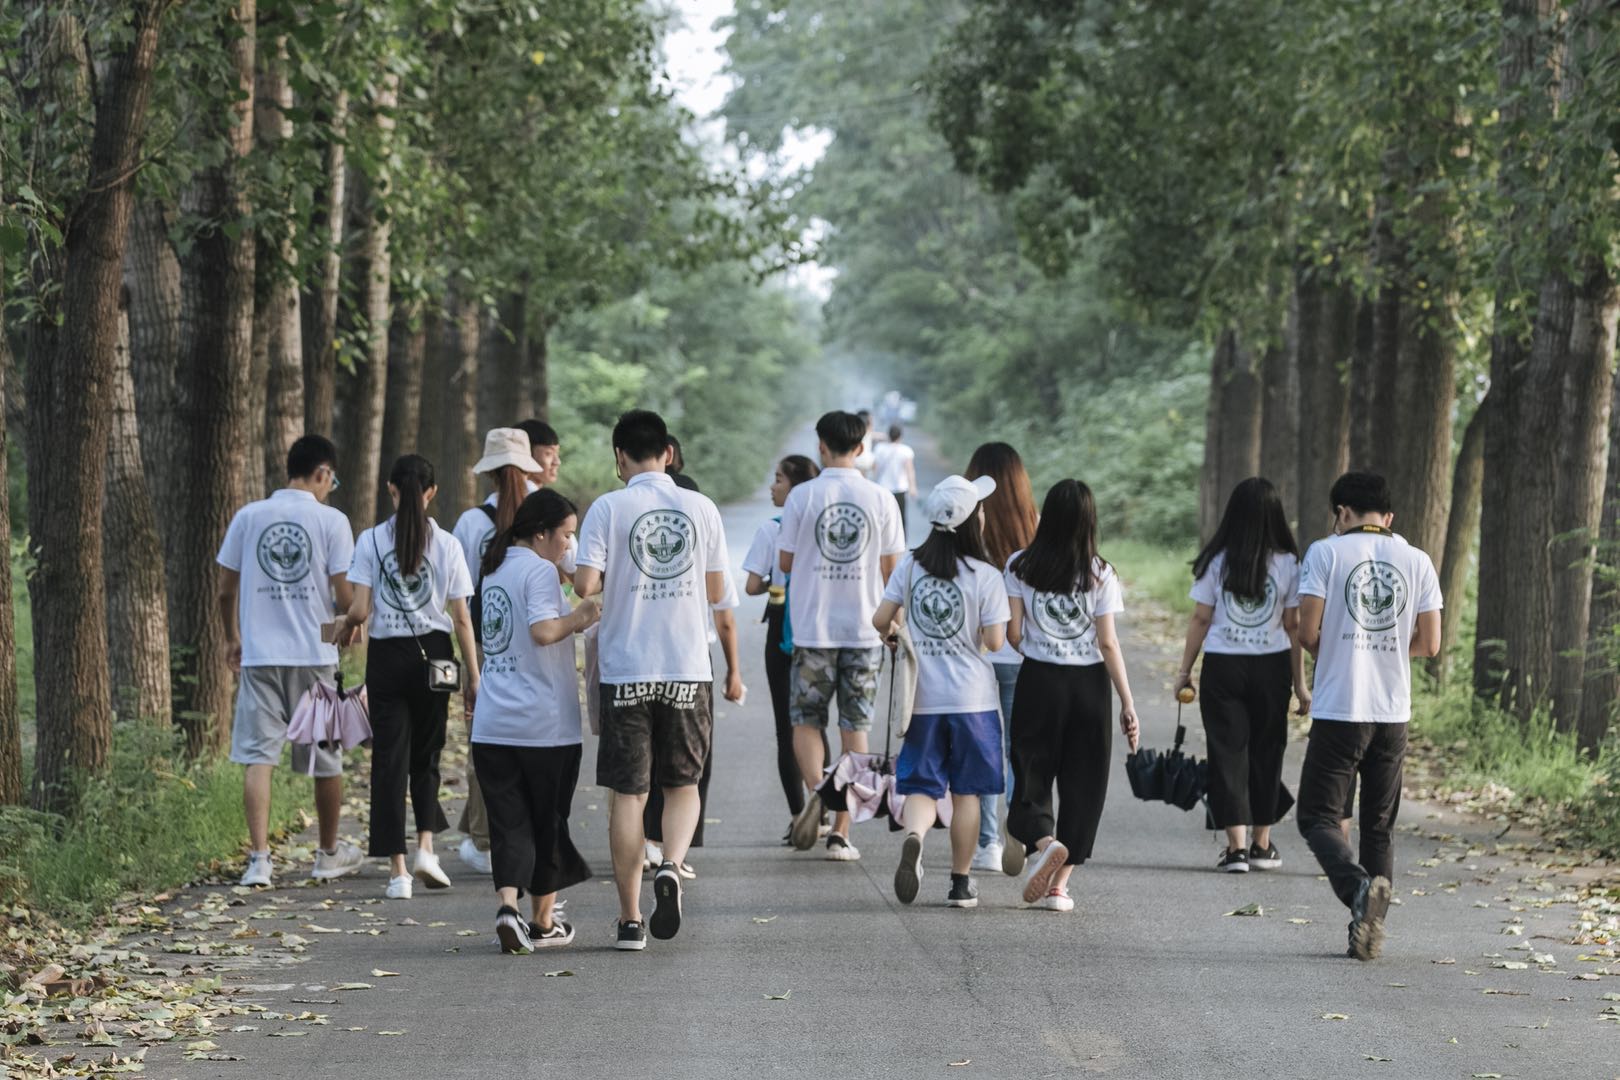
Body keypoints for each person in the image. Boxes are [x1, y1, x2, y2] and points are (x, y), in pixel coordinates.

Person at [573, 410, 744, 951]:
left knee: (629, 794)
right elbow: (719, 593)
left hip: (626, 669)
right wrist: (734, 668)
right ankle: (671, 863)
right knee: (683, 785)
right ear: (667, 453)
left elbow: (585, 585)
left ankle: (629, 919)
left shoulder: (608, 507)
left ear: (620, 455)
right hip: (687, 667)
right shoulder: (701, 508)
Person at [1296, 471, 1442, 961]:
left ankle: (1359, 890)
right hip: (1392, 710)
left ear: (1342, 513)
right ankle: (1367, 924)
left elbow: (1307, 630)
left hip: (1342, 707)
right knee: (1378, 825)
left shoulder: (1325, 552)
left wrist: (1342, 650)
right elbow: (1431, 643)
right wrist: (1387, 649)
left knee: (1316, 815)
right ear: (1389, 516)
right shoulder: (1417, 560)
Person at [218, 435, 365, 887]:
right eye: (332, 480)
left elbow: (225, 589)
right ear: (322, 473)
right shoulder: (332, 521)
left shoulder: (248, 516)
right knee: (324, 758)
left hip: (260, 656)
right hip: (313, 655)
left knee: (259, 758)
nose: (331, 487)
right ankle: (326, 854)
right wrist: (352, 621)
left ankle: (260, 860)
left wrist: (232, 638)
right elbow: (344, 593)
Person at [338, 455, 479, 900]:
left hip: (388, 656)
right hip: (436, 656)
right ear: (432, 492)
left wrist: (345, 625)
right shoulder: (449, 544)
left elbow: (360, 610)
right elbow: (461, 619)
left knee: (389, 761)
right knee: (428, 755)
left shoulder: (371, 541)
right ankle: (425, 849)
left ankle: (398, 872)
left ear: (391, 490)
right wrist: (473, 675)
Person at [473, 489, 600, 953]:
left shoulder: (496, 565)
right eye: (566, 535)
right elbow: (544, 631)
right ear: (542, 532)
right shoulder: (540, 569)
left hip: (492, 725)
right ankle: (543, 924)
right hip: (544, 726)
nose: (570, 545)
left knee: (509, 822)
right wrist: (582, 616)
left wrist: (566, 571)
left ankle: (509, 906)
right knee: (548, 822)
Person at [874, 475, 1010, 909]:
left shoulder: (910, 566)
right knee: (966, 792)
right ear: (973, 521)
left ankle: (915, 837)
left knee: (922, 787)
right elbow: (994, 642)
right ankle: (960, 882)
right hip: (973, 701)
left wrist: (900, 634)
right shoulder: (986, 576)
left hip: (922, 700)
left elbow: (881, 620)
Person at [1003, 480, 1139, 912]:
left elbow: (1013, 634)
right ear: (1089, 520)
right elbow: (1109, 644)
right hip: (1089, 688)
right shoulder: (1102, 572)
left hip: (1040, 681)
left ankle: (1044, 841)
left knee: (1031, 771)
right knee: (1085, 783)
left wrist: (1045, 651)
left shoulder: (1019, 565)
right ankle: (1059, 885)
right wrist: (1127, 703)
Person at [780, 410, 907, 861]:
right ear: (861, 447)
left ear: (821, 445)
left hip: (814, 630)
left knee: (807, 720)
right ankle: (840, 830)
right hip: (865, 630)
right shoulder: (881, 499)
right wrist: (895, 626)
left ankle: (817, 792)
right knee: (856, 727)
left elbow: (788, 562)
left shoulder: (801, 497)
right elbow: (894, 571)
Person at [1175, 477, 1309, 873]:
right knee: (1268, 751)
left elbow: (1201, 618)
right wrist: (1300, 683)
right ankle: (1261, 845)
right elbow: (1292, 626)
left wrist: (1184, 672)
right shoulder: (1288, 563)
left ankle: (1235, 849)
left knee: (1227, 752)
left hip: (1223, 665)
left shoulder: (1218, 560)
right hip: (1271, 668)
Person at [451, 427, 547, 876]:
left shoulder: (472, 524)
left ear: (488, 474)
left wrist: (472, 667)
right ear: (529, 466)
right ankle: (530, 830)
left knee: (487, 742)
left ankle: (487, 839)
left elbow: (460, 597)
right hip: (542, 642)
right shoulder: (545, 512)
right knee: (538, 739)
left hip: (494, 647)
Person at [742, 454, 828, 837]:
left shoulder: (772, 530)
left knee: (786, 727)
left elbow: (751, 586)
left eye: (778, 479)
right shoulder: (824, 528)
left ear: (794, 488)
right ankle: (825, 808)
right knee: (816, 724)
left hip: (781, 627)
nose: (772, 487)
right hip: (819, 627)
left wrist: (775, 583)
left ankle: (799, 817)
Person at [964, 442, 1039, 874]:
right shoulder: (1038, 529)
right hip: (1023, 657)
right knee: (1018, 750)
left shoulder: (965, 528)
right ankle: (1021, 833)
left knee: (984, 749)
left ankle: (988, 843)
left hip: (975, 659)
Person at [872, 424, 917, 524]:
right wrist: (912, 487)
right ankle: (902, 539)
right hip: (900, 489)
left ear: (889, 435)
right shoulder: (906, 450)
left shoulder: (879, 449)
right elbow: (909, 470)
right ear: (900, 436)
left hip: (882, 488)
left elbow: (874, 468)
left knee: (882, 517)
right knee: (900, 518)